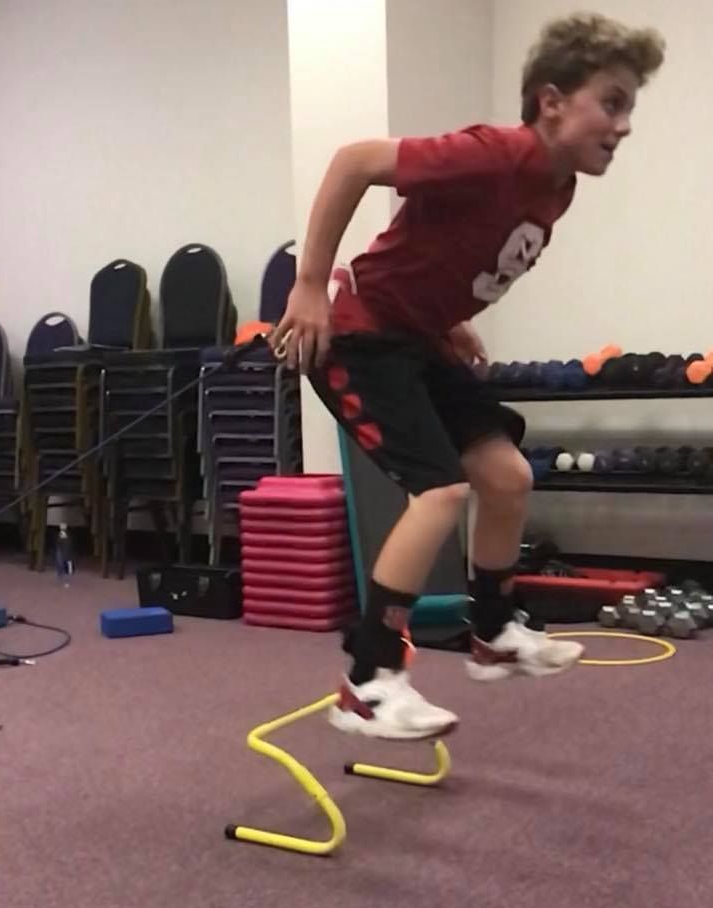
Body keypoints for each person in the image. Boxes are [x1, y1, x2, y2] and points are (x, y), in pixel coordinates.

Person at [270, 13, 665, 740]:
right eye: (612, 102)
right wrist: (309, 285)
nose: (625, 124)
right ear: (552, 102)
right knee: (442, 489)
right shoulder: (496, 153)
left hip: (416, 339)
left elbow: (435, 247)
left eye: (629, 108)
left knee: (508, 476)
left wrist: (447, 315)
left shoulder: (557, 187)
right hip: (362, 343)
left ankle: (492, 631)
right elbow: (355, 161)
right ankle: (369, 681)